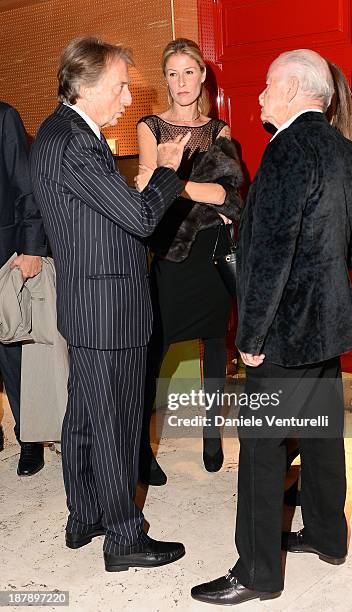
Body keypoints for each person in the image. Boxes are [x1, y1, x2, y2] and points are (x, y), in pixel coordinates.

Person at [191, 49, 352, 605]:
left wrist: (248, 338)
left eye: (268, 84)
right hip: (328, 322)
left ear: (297, 88)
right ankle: (328, 535)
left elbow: (271, 256)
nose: (258, 95)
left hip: (283, 329)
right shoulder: (347, 153)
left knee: (260, 448)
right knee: (323, 433)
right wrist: (328, 270)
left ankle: (256, 573)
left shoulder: (285, 153)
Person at [30, 36, 191, 572]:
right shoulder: (74, 141)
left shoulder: (66, 133)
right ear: (90, 83)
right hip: (109, 308)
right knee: (117, 423)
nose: (128, 99)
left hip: (93, 304)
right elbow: (143, 218)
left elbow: (108, 217)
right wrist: (169, 169)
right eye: (121, 86)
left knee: (82, 417)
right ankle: (123, 537)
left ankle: (85, 516)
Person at [136, 38, 242, 485]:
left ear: (203, 77)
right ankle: (140, 447)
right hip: (173, 256)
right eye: (172, 74)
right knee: (153, 350)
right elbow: (146, 194)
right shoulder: (150, 127)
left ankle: (212, 433)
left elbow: (231, 197)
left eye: (189, 72)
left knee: (215, 345)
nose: (181, 82)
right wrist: (199, 192)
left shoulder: (218, 130)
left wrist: (175, 184)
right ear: (167, 80)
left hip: (212, 253)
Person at [0, 101, 48, 475]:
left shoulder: (4, 116)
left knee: (11, 351)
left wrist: (32, 248)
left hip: (4, 257)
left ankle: (28, 437)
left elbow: (26, 188)